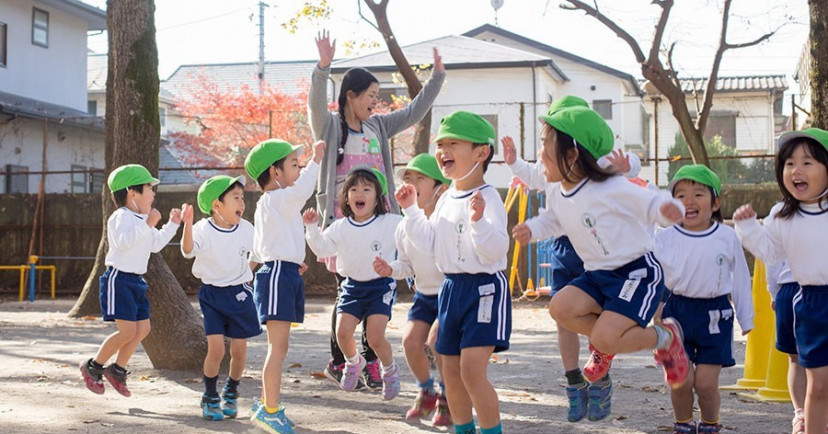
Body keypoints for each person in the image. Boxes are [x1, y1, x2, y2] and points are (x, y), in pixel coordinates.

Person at [511, 104, 690, 395]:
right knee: (560, 307)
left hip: (636, 273)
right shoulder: (559, 190)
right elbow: (554, 220)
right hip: (597, 275)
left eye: (545, 146)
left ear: (571, 155)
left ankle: (665, 338)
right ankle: (609, 340)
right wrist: (532, 229)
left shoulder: (610, 187)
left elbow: (649, 203)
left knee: (606, 338)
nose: (540, 155)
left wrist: (670, 209)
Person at [309, 30, 446, 388]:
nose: (376, 102)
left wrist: (437, 78)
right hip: (344, 222)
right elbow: (315, 104)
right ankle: (348, 360)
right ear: (351, 97)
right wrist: (323, 68)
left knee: (380, 283)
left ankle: (366, 357)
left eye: (378, 97)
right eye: (371, 96)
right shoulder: (331, 126)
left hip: (380, 222)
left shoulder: (379, 126)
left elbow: (415, 111)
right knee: (349, 289)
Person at [501, 95, 641, 423]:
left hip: (594, 248)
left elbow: (630, 161)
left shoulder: (594, 161)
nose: (546, 144)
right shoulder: (551, 166)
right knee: (562, 318)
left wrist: (623, 166)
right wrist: (514, 162)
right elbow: (534, 175)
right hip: (564, 247)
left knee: (599, 313)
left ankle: (601, 366)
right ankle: (574, 381)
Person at [398, 111, 510, 434]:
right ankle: (463, 429)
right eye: (441, 144)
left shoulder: (488, 197)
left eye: (454, 143)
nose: (444, 150)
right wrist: (410, 211)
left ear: (481, 152)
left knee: (472, 371)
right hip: (451, 290)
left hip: (484, 290)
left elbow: (496, 250)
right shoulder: (446, 197)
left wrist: (477, 223)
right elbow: (430, 243)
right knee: (450, 369)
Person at [733, 128, 828, 434]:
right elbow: (770, 254)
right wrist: (747, 229)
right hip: (812, 305)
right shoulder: (782, 216)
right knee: (818, 384)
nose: (796, 170)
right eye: (789, 163)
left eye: (808, 162)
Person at [654, 165, 753, 434]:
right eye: (681, 195)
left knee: (707, 385)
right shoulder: (662, 238)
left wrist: (746, 317)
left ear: (715, 202)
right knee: (681, 381)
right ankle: (683, 425)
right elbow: (651, 277)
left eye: (698, 194)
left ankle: (710, 424)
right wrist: (650, 314)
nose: (689, 201)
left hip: (715, 315)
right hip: (675, 315)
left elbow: (741, 277)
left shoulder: (726, 236)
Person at [80, 164, 181, 397]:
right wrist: (148, 223)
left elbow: (155, 244)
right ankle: (93, 366)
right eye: (149, 188)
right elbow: (125, 242)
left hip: (136, 281)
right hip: (119, 280)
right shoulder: (121, 217)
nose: (153, 193)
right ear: (132, 193)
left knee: (143, 329)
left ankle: (117, 370)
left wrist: (174, 224)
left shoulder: (141, 218)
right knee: (127, 332)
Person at [245, 138, 325, 434]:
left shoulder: (273, 203)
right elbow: (304, 189)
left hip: (283, 272)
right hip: (278, 274)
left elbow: (260, 248)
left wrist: (293, 261)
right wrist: (316, 159)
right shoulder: (279, 198)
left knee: (279, 346)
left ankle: (267, 403)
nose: (299, 167)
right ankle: (270, 410)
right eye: (293, 164)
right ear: (275, 172)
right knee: (277, 348)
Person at [304, 167, 403, 401]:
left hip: (381, 286)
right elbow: (322, 248)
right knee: (342, 333)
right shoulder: (341, 226)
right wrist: (311, 228)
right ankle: (352, 362)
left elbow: (414, 231)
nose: (360, 193)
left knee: (375, 337)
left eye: (367, 189)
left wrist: (412, 207)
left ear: (378, 197)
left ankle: (389, 370)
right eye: (354, 189)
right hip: (351, 288)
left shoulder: (391, 222)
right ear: (346, 197)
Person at [373, 154, 452, 425]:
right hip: (423, 296)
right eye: (408, 178)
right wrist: (390, 270)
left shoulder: (445, 220)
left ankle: (448, 397)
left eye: (421, 178)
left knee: (437, 343)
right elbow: (406, 265)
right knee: (409, 342)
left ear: (439, 187)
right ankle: (426, 391)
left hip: (449, 294)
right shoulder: (403, 226)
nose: (412, 183)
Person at [180, 175, 261, 421]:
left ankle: (232, 392)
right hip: (212, 295)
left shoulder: (246, 228)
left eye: (243, 198)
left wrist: (248, 272)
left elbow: (259, 251)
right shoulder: (202, 229)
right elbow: (187, 251)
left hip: (239, 294)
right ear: (217, 205)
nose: (242, 203)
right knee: (216, 350)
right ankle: (210, 396)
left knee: (239, 351)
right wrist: (187, 224)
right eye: (235, 198)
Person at [766, 260, 807, 434]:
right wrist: (774, 293)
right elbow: (772, 258)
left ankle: (813, 414)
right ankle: (801, 414)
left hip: (818, 285)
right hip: (790, 285)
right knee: (795, 357)